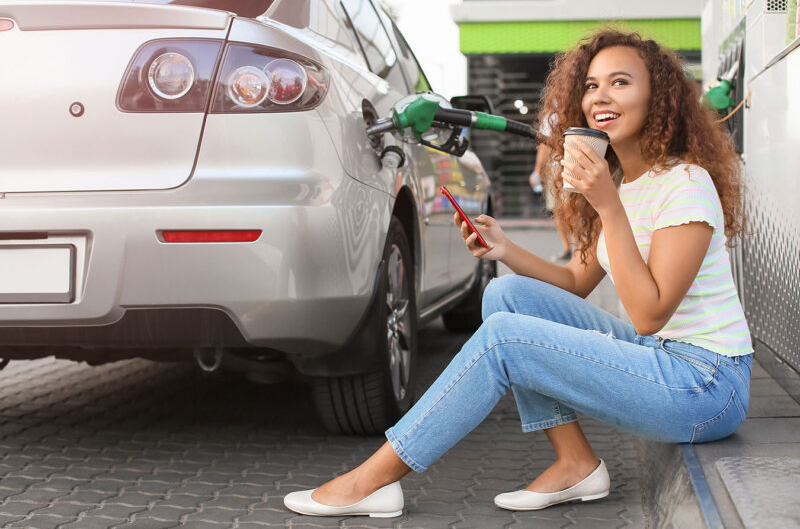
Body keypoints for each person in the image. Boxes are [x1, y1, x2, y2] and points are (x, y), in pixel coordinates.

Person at [283, 29, 751, 518]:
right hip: (659, 357)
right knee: (506, 296)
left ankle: (374, 478)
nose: (601, 97)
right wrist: (505, 249)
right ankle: (575, 461)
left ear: (659, 97)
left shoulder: (685, 184)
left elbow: (650, 314)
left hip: (706, 385)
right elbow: (574, 281)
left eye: (620, 82)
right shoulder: (624, 186)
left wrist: (608, 207)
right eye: (591, 86)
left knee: (505, 339)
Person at [530, 114, 573, 262]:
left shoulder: (576, 106)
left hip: (572, 165)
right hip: (554, 169)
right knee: (558, 210)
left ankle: (581, 246)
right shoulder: (550, 116)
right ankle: (568, 248)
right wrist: (537, 170)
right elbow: (543, 144)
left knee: (570, 208)